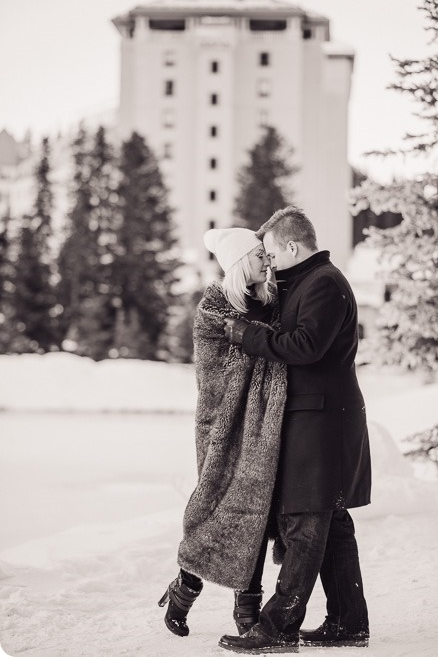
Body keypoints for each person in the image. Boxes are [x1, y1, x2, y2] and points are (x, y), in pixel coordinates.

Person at [221, 206, 371, 654]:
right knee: (333, 522)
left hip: (323, 421)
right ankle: (348, 621)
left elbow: (306, 346)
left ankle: (276, 628)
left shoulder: (324, 284)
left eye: (270, 253)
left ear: (292, 245)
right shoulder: (307, 282)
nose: (268, 262)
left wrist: (246, 335)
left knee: (305, 521)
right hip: (322, 419)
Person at [158, 227, 287, 639]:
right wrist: (264, 347)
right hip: (222, 428)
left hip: (263, 427)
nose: (267, 262)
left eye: (266, 256)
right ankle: (185, 589)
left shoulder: (271, 303)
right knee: (217, 510)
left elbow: (276, 350)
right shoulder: (214, 307)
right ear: (239, 263)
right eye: (259, 257)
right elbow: (215, 375)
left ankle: (246, 610)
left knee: (257, 513)